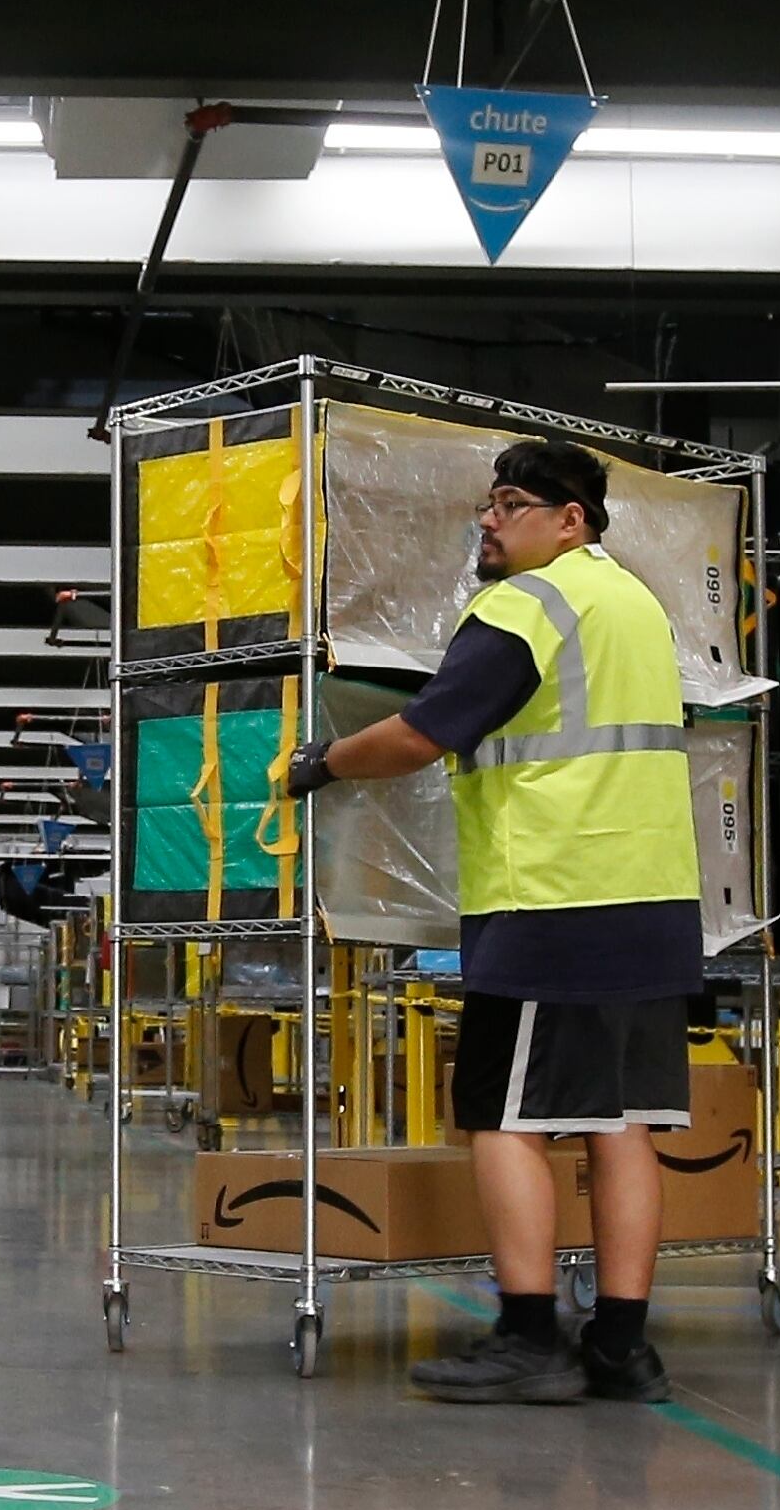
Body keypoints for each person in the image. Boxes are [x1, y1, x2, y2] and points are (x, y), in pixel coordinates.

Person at [285, 435, 702, 1407]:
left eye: (510, 504)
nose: (488, 519)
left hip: (553, 902)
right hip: (650, 903)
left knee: (504, 1120)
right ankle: (620, 1349)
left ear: (571, 521)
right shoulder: (636, 606)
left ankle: (526, 1336)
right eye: (489, 502)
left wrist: (326, 761)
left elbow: (428, 731)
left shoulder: (528, 605)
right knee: (620, 1125)